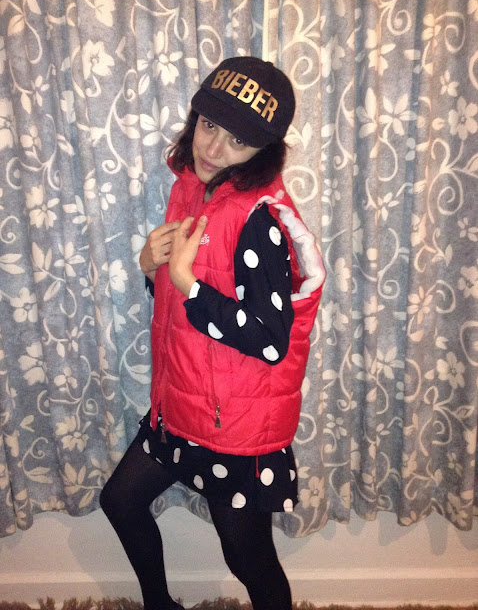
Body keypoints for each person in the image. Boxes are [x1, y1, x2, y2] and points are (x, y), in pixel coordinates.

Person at [100, 56, 325, 610]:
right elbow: (184, 305)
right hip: (182, 406)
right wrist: (153, 269)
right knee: (121, 502)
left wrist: (188, 285)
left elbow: (269, 340)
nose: (214, 149)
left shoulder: (258, 220)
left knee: (248, 559)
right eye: (209, 126)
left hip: (235, 428)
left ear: (264, 151)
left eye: (238, 141)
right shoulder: (190, 188)